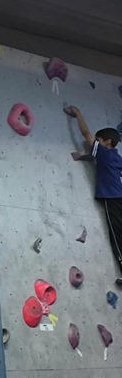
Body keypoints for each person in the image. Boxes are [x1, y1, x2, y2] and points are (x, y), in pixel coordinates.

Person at [65, 106, 122, 286]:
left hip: (112, 198)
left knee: (116, 236)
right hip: (119, 196)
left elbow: (85, 133)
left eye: (98, 141)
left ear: (107, 142)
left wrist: (78, 114)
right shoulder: (117, 158)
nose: (95, 143)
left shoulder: (104, 154)